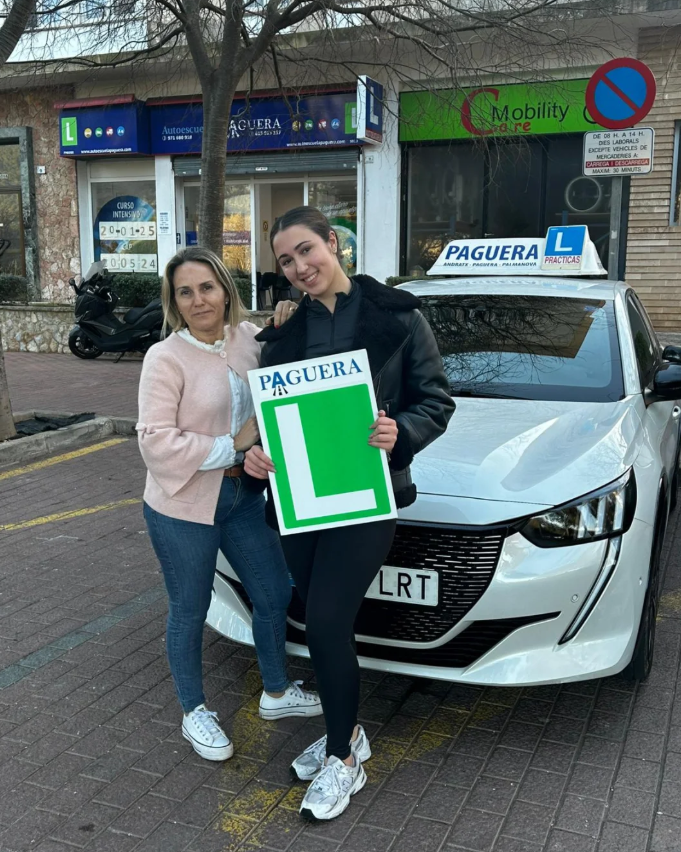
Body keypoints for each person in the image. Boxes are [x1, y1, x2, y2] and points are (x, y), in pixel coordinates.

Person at [244, 206, 455, 821]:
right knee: (319, 626)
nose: (300, 267)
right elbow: (271, 428)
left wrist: (402, 431)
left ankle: (344, 760)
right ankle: (350, 732)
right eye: (286, 261)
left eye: (307, 250)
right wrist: (259, 457)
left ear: (333, 244)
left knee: (331, 622)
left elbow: (436, 400)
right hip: (301, 502)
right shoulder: (281, 336)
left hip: (368, 497)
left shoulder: (398, 314)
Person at [136, 246, 321, 763]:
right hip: (182, 505)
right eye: (185, 292)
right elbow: (154, 441)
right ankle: (194, 711)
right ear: (174, 301)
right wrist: (235, 445)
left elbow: (287, 378)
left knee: (272, 593)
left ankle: (278, 693)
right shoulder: (165, 357)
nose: (199, 300)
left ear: (225, 288)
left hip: (242, 498)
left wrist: (290, 317)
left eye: (207, 287)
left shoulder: (248, 338)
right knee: (190, 609)